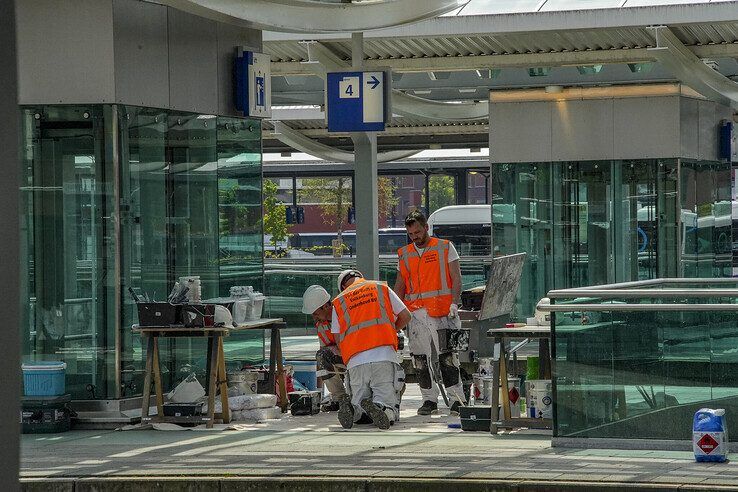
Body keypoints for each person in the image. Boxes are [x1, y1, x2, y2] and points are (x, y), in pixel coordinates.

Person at [394, 210, 467, 416]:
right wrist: (397, 312)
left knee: (449, 357)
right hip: (416, 314)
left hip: (443, 312)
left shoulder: (445, 247)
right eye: (411, 234)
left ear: (426, 227)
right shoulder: (404, 254)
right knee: (419, 359)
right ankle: (429, 400)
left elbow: (456, 277)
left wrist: (454, 303)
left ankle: (456, 399)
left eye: (417, 231)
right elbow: (400, 285)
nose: (415, 237)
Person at [331, 269, 411, 430]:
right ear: (360, 277)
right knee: (387, 402)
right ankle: (383, 408)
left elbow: (338, 340)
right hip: (383, 355)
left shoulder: (339, 301)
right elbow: (406, 316)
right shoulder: (380, 288)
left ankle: (355, 412)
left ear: (343, 287)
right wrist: (390, 331)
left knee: (360, 402)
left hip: (355, 361)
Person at [301, 285, 347, 411]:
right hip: (341, 359)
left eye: (316, 313)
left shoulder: (344, 316)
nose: (314, 317)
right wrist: (318, 393)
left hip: (355, 358)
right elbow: (322, 355)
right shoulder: (322, 325)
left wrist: (336, 349)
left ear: (326, 306)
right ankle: (339, 398)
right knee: (322, 356)